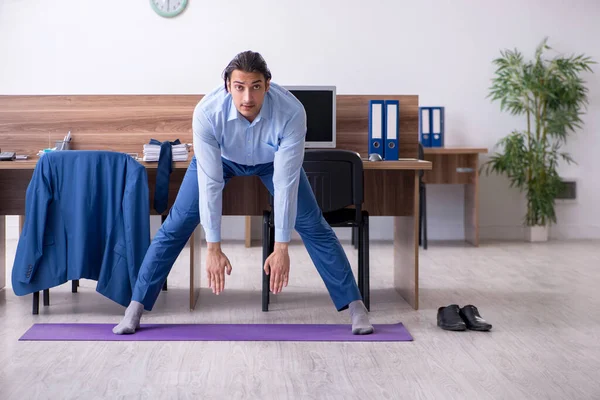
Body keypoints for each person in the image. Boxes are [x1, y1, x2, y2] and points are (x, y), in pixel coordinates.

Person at [113, 50, 373, 335]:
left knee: (313, 224)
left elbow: (285, 183)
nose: (247, 98)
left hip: (271, 161)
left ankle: (355, 305)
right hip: (221, 160)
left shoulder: (292, 112)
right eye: (239, 87)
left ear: (268, 85)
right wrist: (213, 247)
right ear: (227, 86)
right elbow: (211, 183)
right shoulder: (207, 113)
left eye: (256, 87)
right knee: (176, 224)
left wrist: (281, 247)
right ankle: (135, 307)